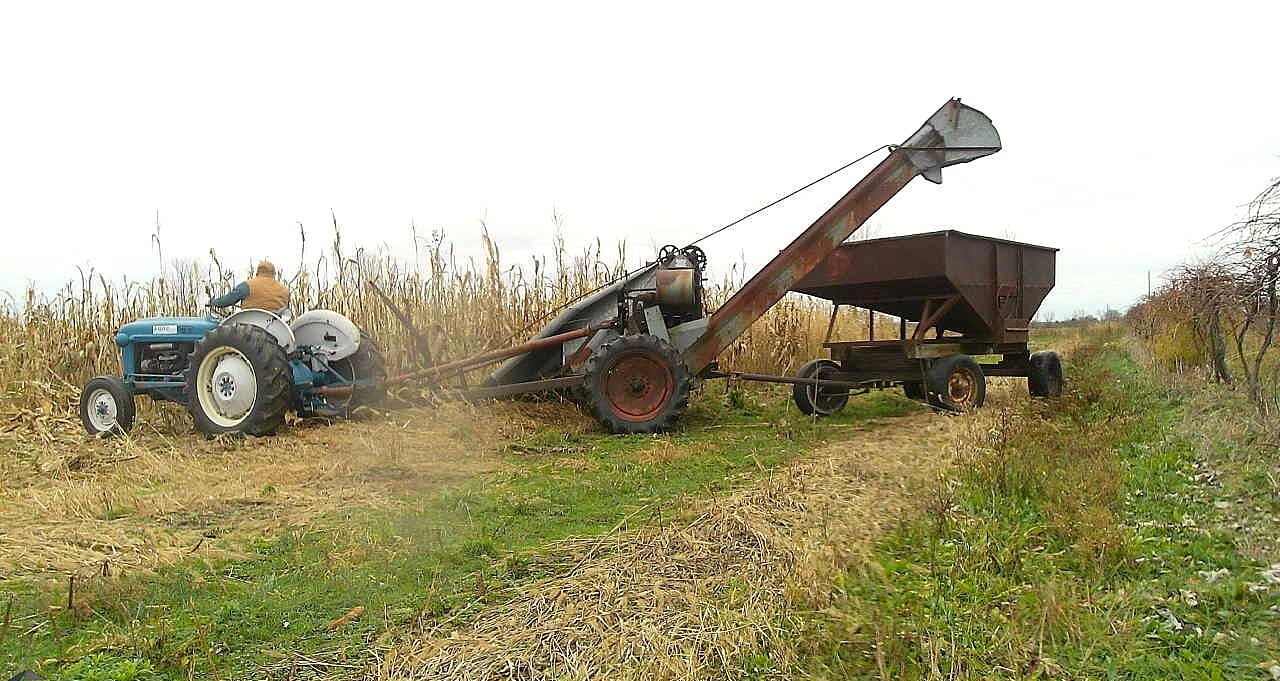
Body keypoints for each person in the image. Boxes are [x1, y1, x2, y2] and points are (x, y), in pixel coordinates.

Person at [208, 260, 290, 313]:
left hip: (249, 325)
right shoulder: (285, 290)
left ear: (257, 272)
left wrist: (213, 302)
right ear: (274, 273)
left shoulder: (247, 285)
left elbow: (226, 301)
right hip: (275, 327)